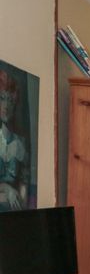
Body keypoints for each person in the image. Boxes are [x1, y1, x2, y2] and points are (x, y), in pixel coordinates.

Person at [0, 70, 28, 210]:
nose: (6, 105)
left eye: (10, 100)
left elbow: (24, 183)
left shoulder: (20, 142)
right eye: (2, 98)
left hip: (14, 212)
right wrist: (6, 189)